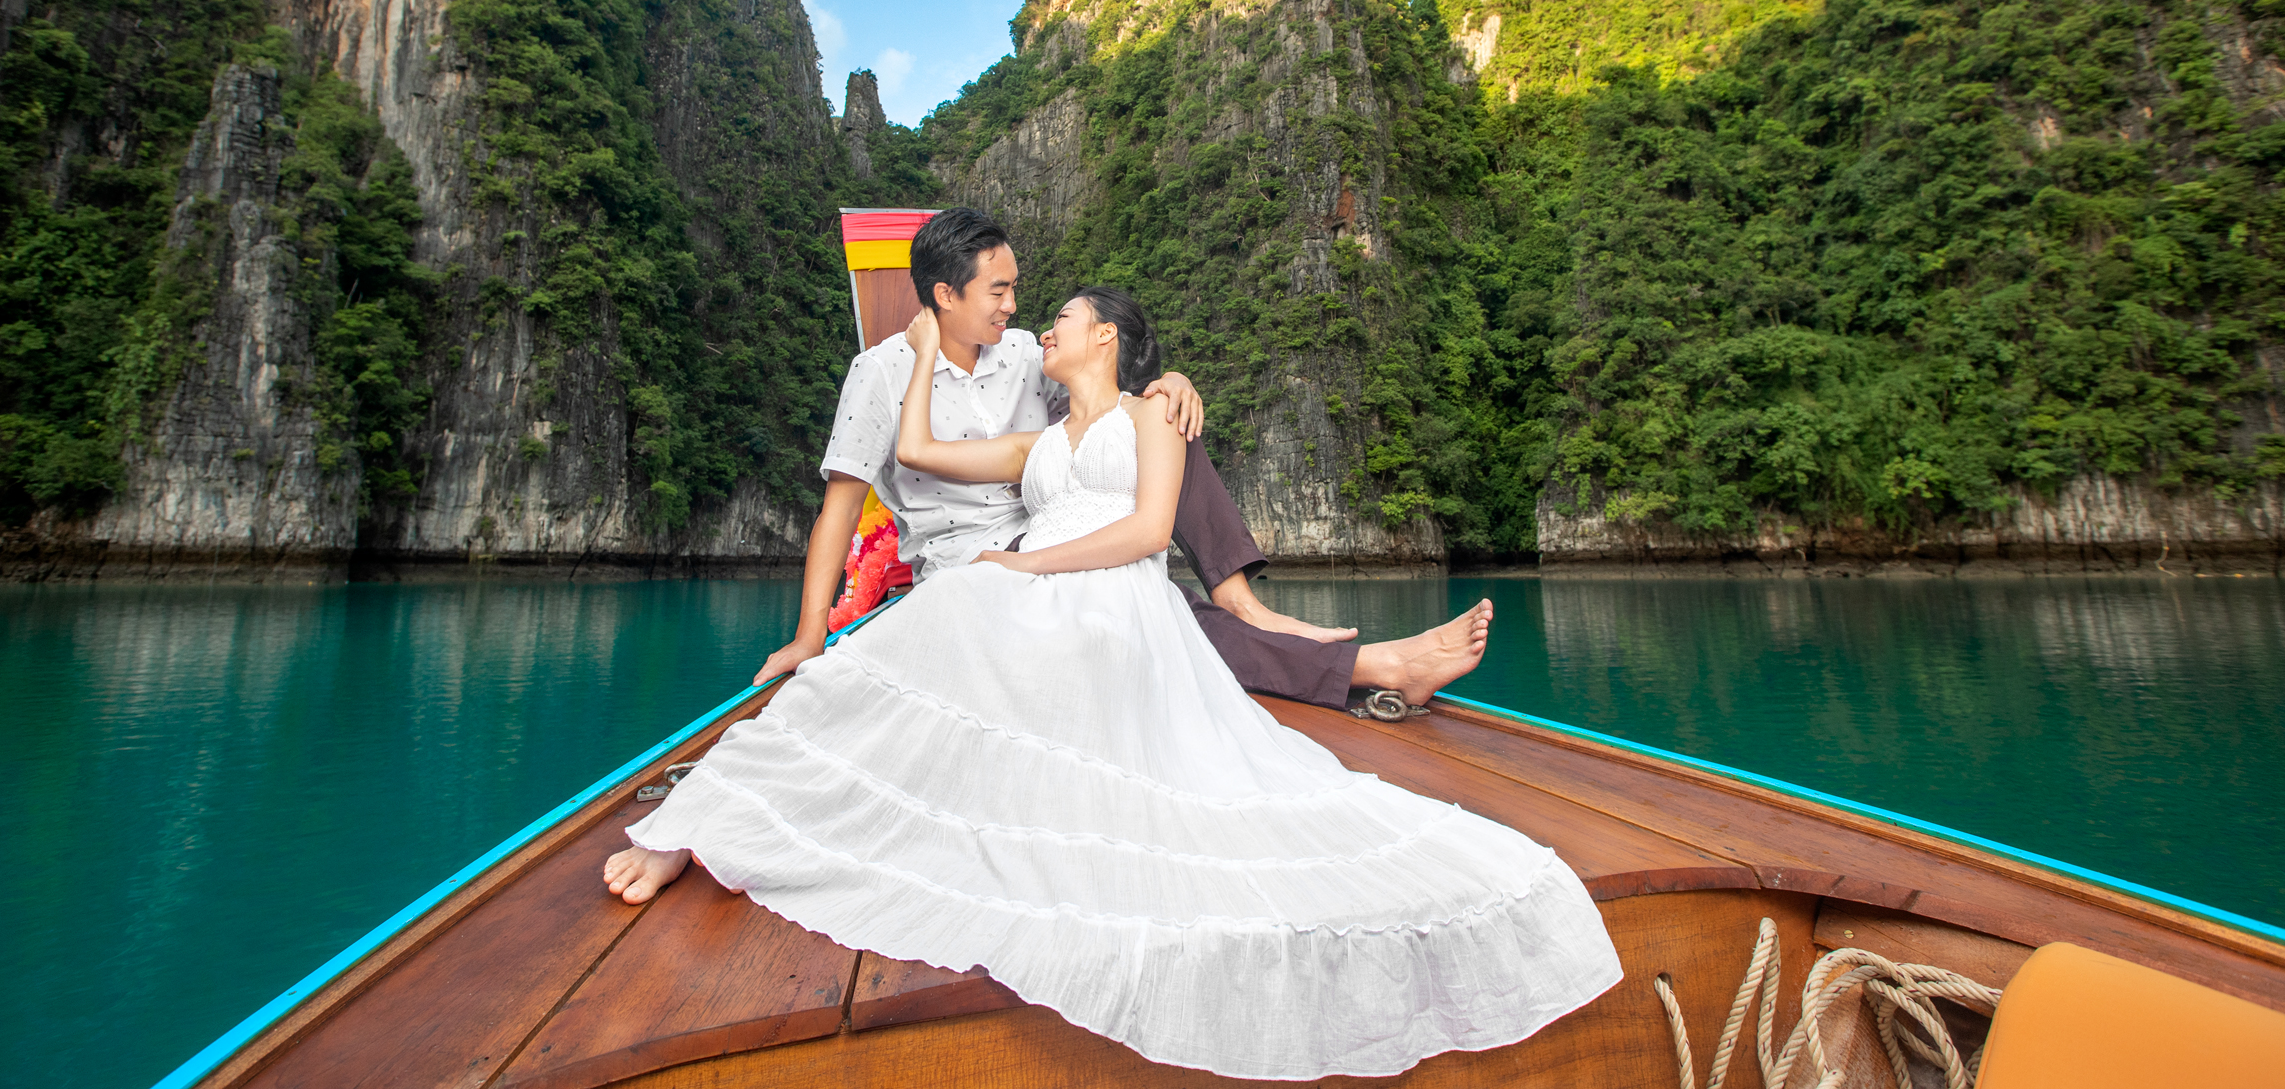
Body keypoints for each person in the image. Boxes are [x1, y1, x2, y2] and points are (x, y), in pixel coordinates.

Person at [604, 288, 1621, 1080]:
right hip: (1014, 578)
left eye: (1055, 316)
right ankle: (705, 822)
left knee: (1104, 652)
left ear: (1104, 340)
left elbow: (1139, 530)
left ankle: (1260, 616)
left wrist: (1145, 409)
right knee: (868, 669)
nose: (1030, 319)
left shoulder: (1140, 412)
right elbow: (913, 453)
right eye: (1009, 298)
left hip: (1089, 584)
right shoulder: (1035, 424)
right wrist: (917, 356)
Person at [750, 207, 1495, 715]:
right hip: (969, 566)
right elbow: (840, 510)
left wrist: (1165, 384)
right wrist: (811, 632)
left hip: (1050, 531)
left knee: (1168, 427)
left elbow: (1099, 417)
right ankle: (1362, 665)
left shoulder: (1021, 354)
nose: (1015, 306)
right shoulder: (879, 376)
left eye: (1016, 287)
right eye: (998, 290)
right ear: (946, 294)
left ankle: (1243, 600)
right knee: (1164, 621)